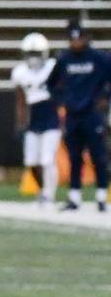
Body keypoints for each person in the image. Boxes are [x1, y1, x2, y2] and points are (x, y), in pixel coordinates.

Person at [47, 25, 111, 210]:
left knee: (98, 155)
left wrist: (105, 97)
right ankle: (74, 197)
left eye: (78, 38)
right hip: (73, 115)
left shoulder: (99, 58)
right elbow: (51, 83)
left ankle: (101, 196)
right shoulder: (64, 59)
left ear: (85, 38)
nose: (76, 42)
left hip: (92, 114)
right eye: (72, 39)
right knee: (74, 156)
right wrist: (62, 100)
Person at [13, 31, 61, 207]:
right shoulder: (20, 72)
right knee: (31, 161)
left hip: (50, 114)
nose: (33, 58)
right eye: (30, 54)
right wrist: (19, 123)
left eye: (36, 53)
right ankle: (42, 191)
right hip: (33, 117)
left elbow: (62, 90)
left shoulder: (53, 67)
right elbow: (20, 100)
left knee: (47, 159)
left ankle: (50, 195)